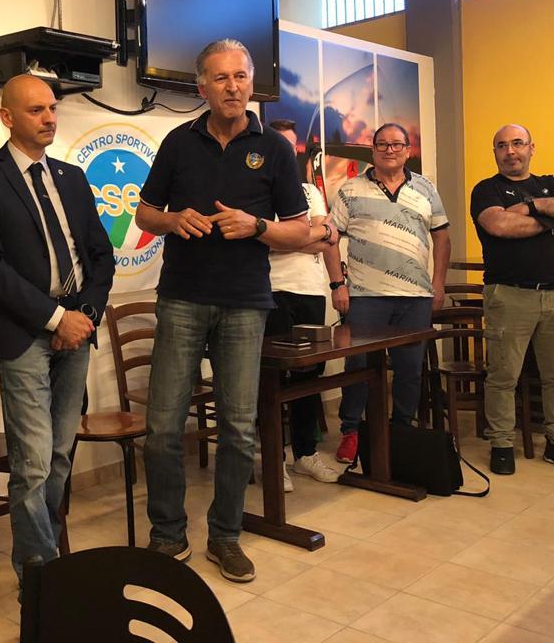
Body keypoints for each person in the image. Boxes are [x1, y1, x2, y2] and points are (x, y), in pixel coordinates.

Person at [136, 39, 337, 583]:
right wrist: (173, 220)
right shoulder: (178, 142)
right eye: (221, 78)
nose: (232, 86)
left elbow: (301, 231)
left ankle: (225, 536)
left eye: (241, 77)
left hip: (247, 303)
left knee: (239, 428)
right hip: (182, 298)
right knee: (162, 428)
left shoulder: (274, 149)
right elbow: (145, 214)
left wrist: (257, 226)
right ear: (201, 86)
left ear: (252, 84)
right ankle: (168, 533)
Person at [0, 74, 115, 582]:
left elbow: (100, 256)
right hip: (22, 330)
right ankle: (39, 578)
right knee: (33, 462)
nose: (49, 118)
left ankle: (41, 557)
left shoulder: (71, 176)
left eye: (52, 108)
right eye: (36, 110)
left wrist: (83, 315)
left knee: (60, 454)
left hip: (77, 327)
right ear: (7, 117)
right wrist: (55, 318)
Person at [470, 123, 554, 475]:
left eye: (517, 143)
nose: (510, 151)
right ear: (495, 152)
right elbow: (500, 226)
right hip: (510, 296)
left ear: (531, 148)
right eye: (502, 145)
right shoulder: (486, 189)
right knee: (502, 376)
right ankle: (501, 444)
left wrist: (531, 205)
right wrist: (552, 217)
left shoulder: (549, 183)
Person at [329, 123, 451, 464]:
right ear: (373, 151)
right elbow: (329, 239)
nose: (389, 150)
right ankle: (352, 432)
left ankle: (400, 432)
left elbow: (442, 238)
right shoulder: (351, 189)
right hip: (365, 297)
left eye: (397, 144)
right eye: (382, 144)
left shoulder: (426, 188)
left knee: (409, 371)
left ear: (408, 150)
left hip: (415, 298)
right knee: (358, 367)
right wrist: (338, 284)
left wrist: (438, 283)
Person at [265, 120, 342, 488]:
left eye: (292, 146)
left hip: (311, 291)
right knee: (272, 378)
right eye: (280, 143)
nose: (287, 151)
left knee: (309, 375)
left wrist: (287, 237)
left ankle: (305, 454)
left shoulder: (309, 191)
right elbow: (264, 240)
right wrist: (307, 235)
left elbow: (328, 239)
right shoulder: (257, 191)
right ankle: (274, 459)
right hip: (270, 292)